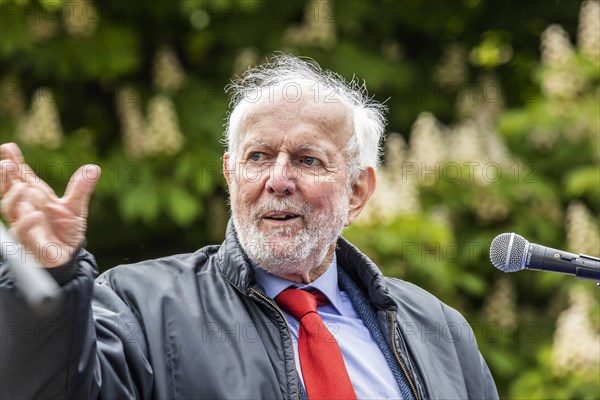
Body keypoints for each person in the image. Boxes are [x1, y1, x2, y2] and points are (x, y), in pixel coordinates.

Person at [0, 55, 498, 399]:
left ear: (357, 191)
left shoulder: (439, 330)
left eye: (307, 160)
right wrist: (54, 283)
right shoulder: (140, 305)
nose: (278, 180)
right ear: (230, 174)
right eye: (258, 156)